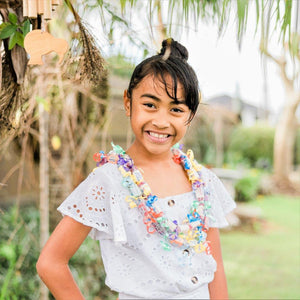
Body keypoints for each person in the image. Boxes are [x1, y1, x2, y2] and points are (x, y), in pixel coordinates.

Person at [36, 38, 236, 299]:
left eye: (176, 109)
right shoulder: (108, 181)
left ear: (190, 117)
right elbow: (51, 262)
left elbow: (215, 267)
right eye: (150, 105)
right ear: (128, 102)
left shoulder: (202, 180)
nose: (161, 121)